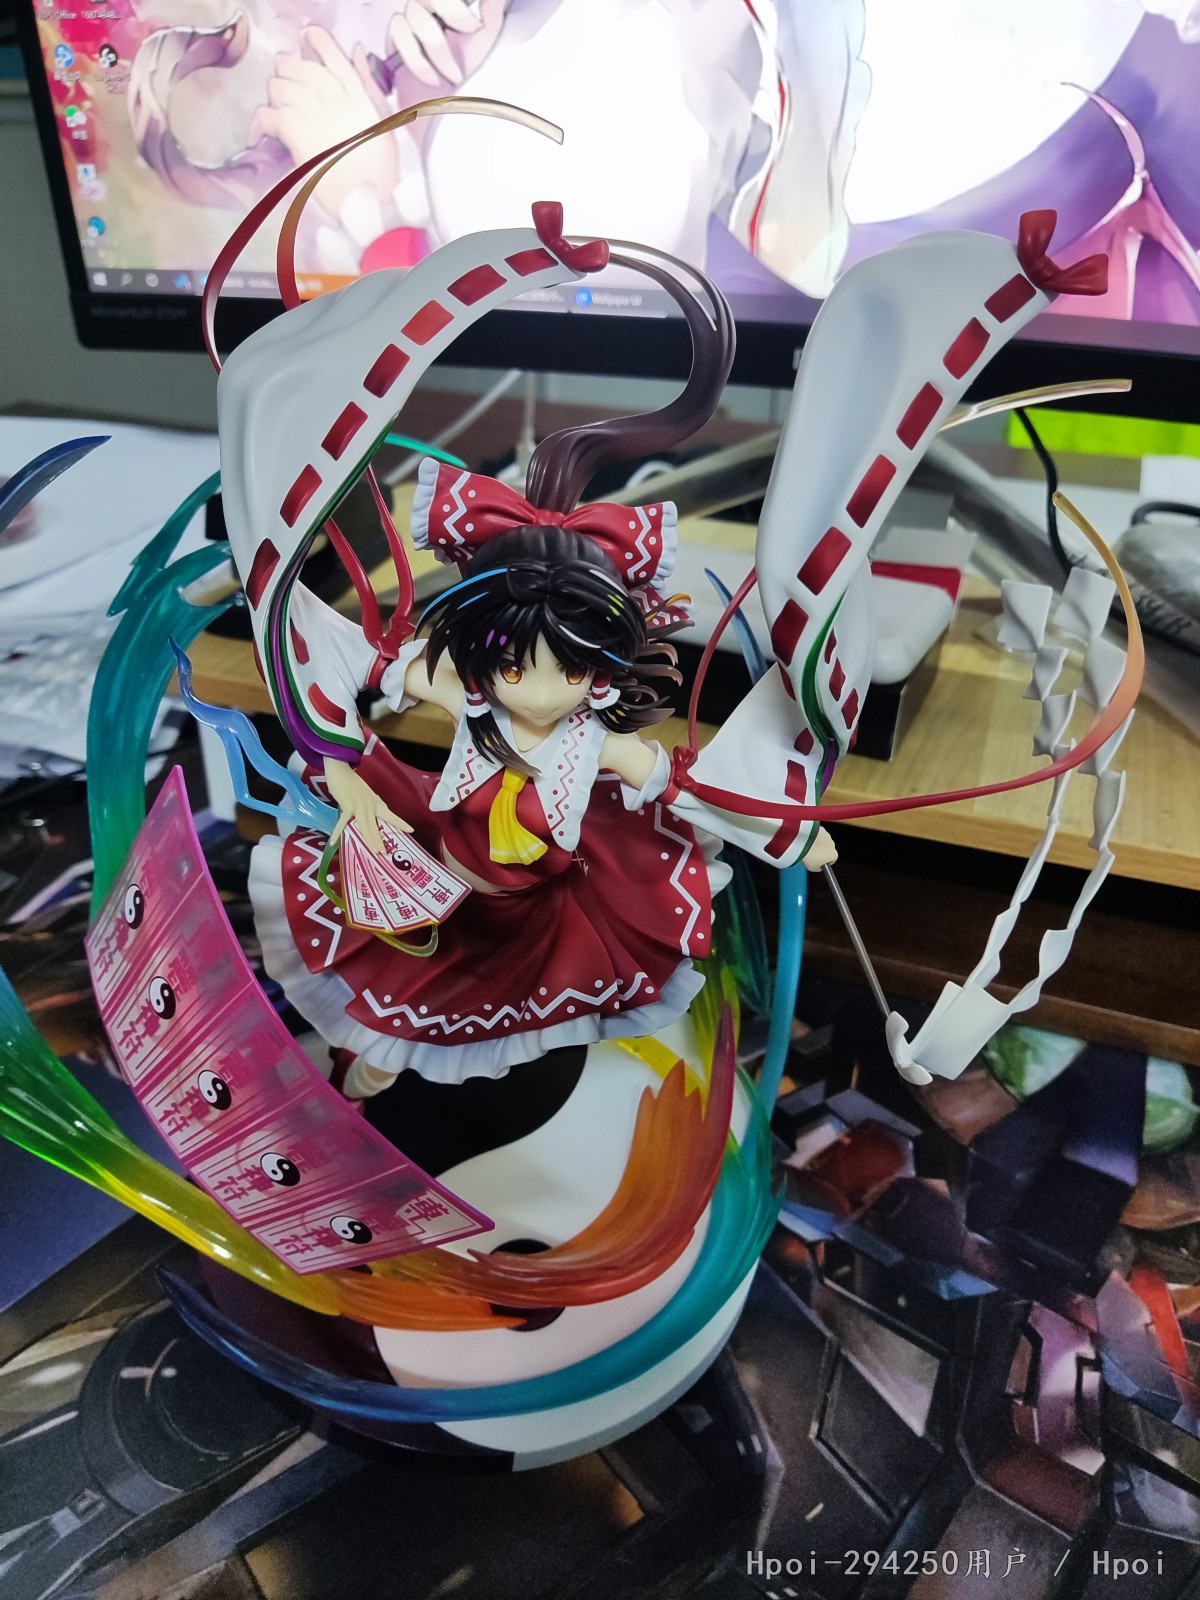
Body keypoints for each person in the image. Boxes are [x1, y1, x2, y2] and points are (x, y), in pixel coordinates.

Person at [240, 232, 834, 1099]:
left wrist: (789, 834)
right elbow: (362, 671)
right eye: (515, 670)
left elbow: (689, 786)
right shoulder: (464, 692)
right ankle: (369, 1056)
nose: (544, 693)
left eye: (573, 672)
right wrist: (343, 766)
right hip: (439, 872)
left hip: (536, 910)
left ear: (603, 670)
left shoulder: (596, 740)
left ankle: (392, 1059)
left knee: (496, 1013)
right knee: (393, 998)